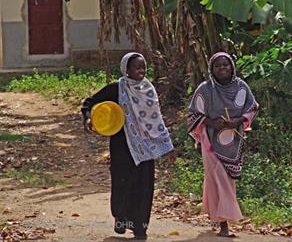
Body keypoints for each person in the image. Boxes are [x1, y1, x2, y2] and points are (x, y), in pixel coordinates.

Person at [81, 52, 174, 240]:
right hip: (122, 145)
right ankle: (121, 218)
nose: (141, 71)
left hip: (146, 148)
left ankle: (140, 228)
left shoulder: (148, 90)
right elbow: (89, 103)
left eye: (143, 67)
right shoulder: (116, 89)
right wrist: (89, 118)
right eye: (137, 67)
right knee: (122, 183)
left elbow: (156, 120)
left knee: (144, 187)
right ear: (126, 70)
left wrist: (167, 146)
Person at [187, 52, 259, 237]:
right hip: (210, 141)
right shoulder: (205, 89)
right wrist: (211, 123)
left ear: (232, 67)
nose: (222, 69)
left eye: (225, 65)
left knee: (226, 179)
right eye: (217, 66)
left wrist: (237, 121)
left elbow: (252, 108)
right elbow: (194, 113)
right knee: (217, 177)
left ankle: (218, 216)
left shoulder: (241, 87)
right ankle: (224, 224)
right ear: (212, 68)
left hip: (233, 141)